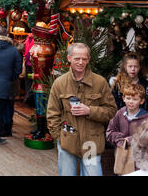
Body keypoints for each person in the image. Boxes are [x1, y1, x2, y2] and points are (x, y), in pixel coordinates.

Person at [46, 43, 117, 176]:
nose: (80, 62)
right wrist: (60, 137)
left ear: (88, 59)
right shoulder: (60, 83)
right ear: (69, 58)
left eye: (84, 59)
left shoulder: (100, 82)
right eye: (77, 58)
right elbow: (52, 114)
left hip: (92, 142)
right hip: (67, 142)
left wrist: (90, 110)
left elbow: (111, 111)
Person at [106, 83, 148, 174]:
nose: (131, 101)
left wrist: (131, 139)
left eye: (135, 99)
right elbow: (109, 132)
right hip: (122, 158)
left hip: (141, 163)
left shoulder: (147, 118)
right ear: (123, 98)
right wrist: (121, 140)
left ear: (141, 101)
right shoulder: (119, 113)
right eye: (128, 98)